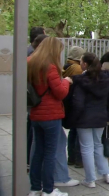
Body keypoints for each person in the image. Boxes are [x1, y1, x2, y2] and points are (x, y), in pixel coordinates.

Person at [27, 37, 72, 196]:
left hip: (35, 113)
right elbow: (60, 93)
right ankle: (48, 190)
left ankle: (34, 188)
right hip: (51, 115)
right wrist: (66, 81)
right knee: (50, 153)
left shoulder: (30, 63)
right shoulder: (50, 67)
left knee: (37, 152)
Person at [70, 52, 109, 188]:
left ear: (85, 64)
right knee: (98, 145)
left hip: (84, 118)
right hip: (101, 116)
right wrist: (108, 116)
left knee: (86, 148)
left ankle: (90, 179)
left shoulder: (80, 81)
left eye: (80, 62)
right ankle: (107, 173)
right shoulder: (107, 79)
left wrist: (74, 118)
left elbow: (78, 103)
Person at [27, 34, 47, 172]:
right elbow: (58, 89)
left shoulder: (30, 60)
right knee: (47, 147)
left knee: (35, 139)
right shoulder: (45, 64)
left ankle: (31, 167)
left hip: (36, 106)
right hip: (44, 108)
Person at [62, 46, 86, 168]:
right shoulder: (77, 68)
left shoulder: (66, 66)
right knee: (77, 131)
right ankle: (78, 159)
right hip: (76, 101)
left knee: (73, 131)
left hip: (68, 101)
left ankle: (71, 157)